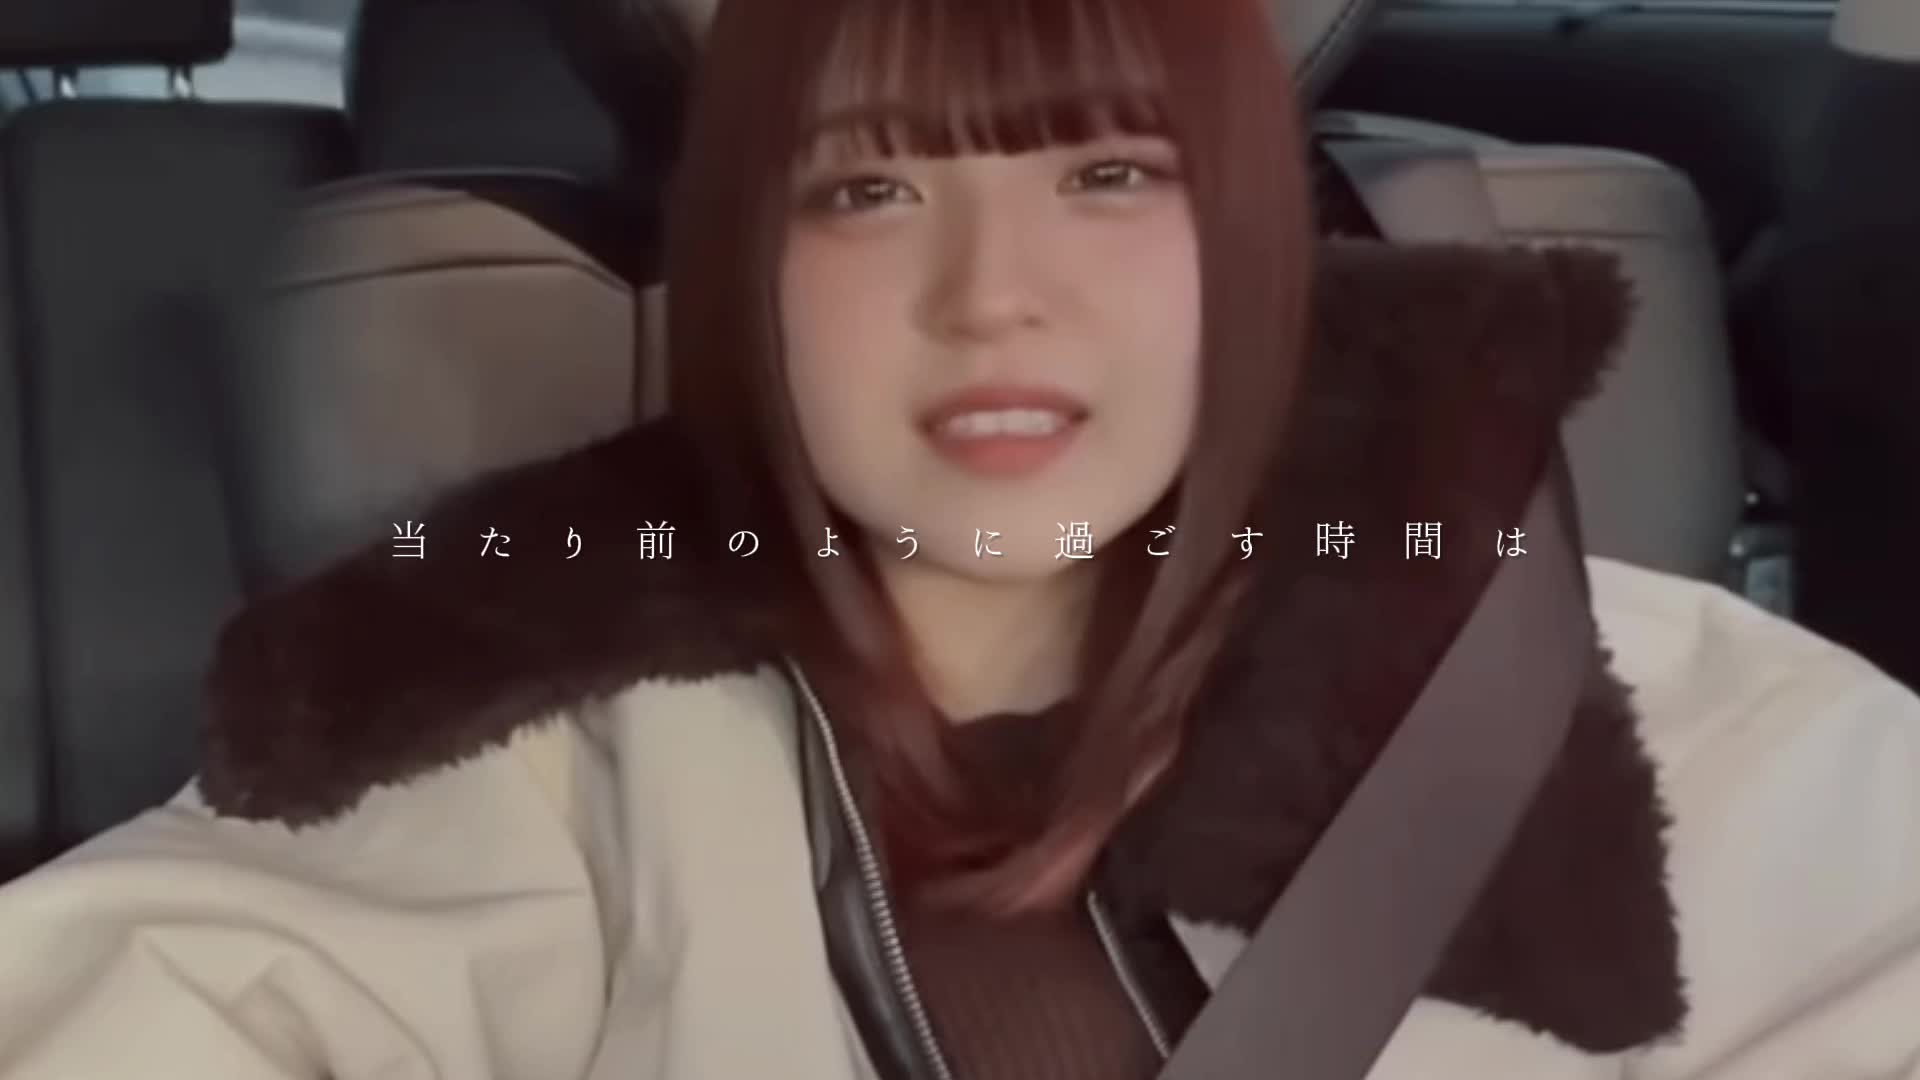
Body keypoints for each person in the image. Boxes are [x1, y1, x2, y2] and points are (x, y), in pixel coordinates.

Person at [3, 0, 1919, 1076]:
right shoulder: (526, 750)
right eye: (868, 189)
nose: (992, 294)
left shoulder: (1681, 720)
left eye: (1109, 173)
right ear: (743, 273)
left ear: (1252, 245)